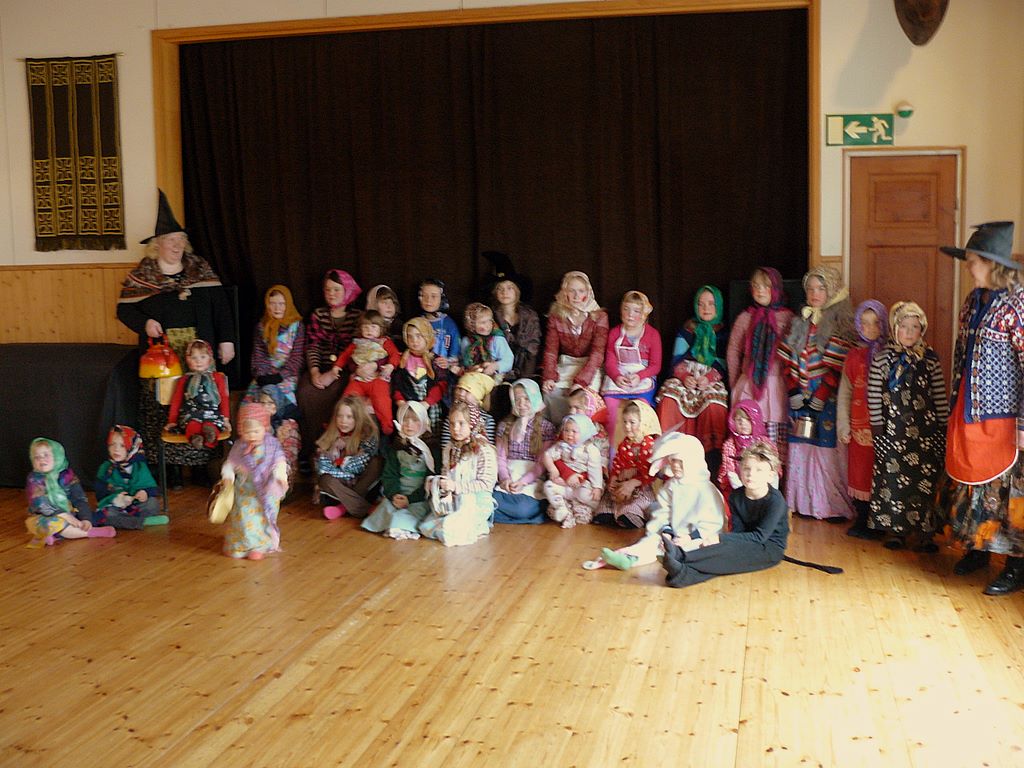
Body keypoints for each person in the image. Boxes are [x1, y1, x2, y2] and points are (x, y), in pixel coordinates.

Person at [116, 190, 235, 487]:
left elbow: (221, 307)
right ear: (157, 244)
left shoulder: (199, 268)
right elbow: (123, 310)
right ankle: (168, 472)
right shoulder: (144, 274)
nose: (177, 245)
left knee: (201, 403)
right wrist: (145, 323)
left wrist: (227, 340)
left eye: (181, 240)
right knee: (164, 408)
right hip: (161, 357)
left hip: (198, 351)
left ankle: (200, 468)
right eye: (171, 240)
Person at [939, 222, 1024, 595]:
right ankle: (977, 547)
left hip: (1005, 417)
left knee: (1009, 492)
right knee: (970, 481)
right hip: (969, 409)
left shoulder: (1018, 304)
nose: (968, 267)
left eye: (973, 261)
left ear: (992, 264)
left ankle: (1016, 566)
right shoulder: (973, 300)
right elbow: (962, 353)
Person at [777, 265, 857, 521]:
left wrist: (821, 394)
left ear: (832, 291)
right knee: (802, 447)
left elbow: (838, 368)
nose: (814, 294)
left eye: (821, 289)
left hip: (827, 398)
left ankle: (831, 506)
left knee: (825, 451)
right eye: (810, 289)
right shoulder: (799, 321)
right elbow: (787, 360)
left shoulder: (841, 324)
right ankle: (804, 504)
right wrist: (793, 390)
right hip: (800, 395)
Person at [866, 301, 948, 551]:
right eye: (904, 326)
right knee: (893, 479)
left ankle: (926, 532)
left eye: (915, 327)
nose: (910, 332)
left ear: (922, 330)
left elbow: (939, 395)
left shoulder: (930, 359)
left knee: (925, 480)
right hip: (893, 433)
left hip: (925, 433)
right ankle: (895, 530)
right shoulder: (882, 359)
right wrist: (877, 431)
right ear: (894, 328)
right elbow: (873, 396)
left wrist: (943, 428)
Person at [661, 441, 788, 588]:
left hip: (769, 547)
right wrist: (723, 543)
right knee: (725, 552)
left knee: (730, 556)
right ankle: (682, 575)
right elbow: (738, 532)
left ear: (770, 476)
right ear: (740, 470)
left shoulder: (775, 501)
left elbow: (760, 536)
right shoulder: (736, 496)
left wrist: (719, 538)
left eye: (759, 470)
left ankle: (681, 557)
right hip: (746, 539)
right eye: (747, 468)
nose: (751, 474)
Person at [595, 432, 725, 571]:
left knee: (697, 547)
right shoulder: (671, 486)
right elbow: (663, 512)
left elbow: (712, 524)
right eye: (673, 460)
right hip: (673, 534)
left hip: (694, 536)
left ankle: (674, 557)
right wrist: (666, 532)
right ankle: (628, 558)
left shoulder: (706, 490)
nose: (675, 465)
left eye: (680, 461)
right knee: (651, 542)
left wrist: (688, 537)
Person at [655, 285, 729, 473]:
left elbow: (724, 362)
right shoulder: (687, 329)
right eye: (701, 304)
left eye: (711, 304)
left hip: (711, 377)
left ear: (718, 306)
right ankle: (669, 459)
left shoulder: (723, 332)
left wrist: (709, 378)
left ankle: (711, 461)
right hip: (685, 374)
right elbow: (676, 359)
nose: (706, 308)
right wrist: (684, 376)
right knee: (669, 397)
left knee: (714, 403)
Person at [726, 267, 795, 465]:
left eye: (766, 286)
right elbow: (733, 350)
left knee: (775, 438)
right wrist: (735, 382)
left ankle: (774, 477)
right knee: (746, 434)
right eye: (756, 286)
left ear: (776, 289)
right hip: (749, 385)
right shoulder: (745, 318)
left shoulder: (788, 318)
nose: (760, 290)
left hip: (778, 386)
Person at [297, 268, 362, 463]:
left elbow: (357, 348)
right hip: (321, 366)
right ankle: (310, 449)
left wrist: (336, 372)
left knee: (337, 394)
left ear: (347, 291)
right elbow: (313, 345)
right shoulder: (318, 315)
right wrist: (315, 372)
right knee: (306, 392)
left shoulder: (357, 316)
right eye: (328, 290)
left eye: (336, 290)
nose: (331, 294)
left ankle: (334, 450)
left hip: (345, 369)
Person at [837, 300, 887, 538]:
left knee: (880, 472)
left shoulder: (889, 355)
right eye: (864, 323)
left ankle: (878, 522)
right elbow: (845, 393)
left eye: (875, 323)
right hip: (857, 428)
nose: (870, 328)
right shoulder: (854, 356)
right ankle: (862, 517)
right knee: (859, 472)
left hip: (882, 429)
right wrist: (843, 425)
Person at [419, 401, 497, 546]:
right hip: (454, 499)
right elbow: (446, 472)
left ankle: (476, 525)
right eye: (452, 423)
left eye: (461, 423)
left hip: (477, 500)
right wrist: (440, 484)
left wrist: (456, 486)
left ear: (472, 424)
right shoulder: (450, 448)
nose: (455, 429)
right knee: (428, 526)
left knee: (451, 528)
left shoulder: (483, 450)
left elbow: (486, 483)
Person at [219, 403, 288, 560]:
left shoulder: (272, 445)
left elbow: (279, 462)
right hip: (245, 489)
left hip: (266, 489)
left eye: (256, 431)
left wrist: (280, 477)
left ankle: (259, 546)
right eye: (247, 432)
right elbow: (230, 464)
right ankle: (238, 546)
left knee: (260, 518)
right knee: (242, 516)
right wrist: (227, 477)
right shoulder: (239, 447)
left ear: (265, 428)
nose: (252, 436)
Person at [362, 401, 438, 540]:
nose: (409, 424)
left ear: (423, 422)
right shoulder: (397, 447)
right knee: (386, 508)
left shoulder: (431, 449)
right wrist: (394, 494)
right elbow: (390, 474)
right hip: (399, 494)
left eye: (414, 420)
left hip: (419, 497)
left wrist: (410, 499)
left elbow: (432, 478)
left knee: (405, 516)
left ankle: (403, 525)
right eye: (405, 420)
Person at [541, 271, 609, 425]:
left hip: (590, 365)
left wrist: (581, 381)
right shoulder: (556, 316)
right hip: (567, 362)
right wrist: (549, 376)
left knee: (584, 396)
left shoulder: (599, 316)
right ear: (565, 292)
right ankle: (561, 431)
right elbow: (551, 350)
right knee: (551, 393)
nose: (577, 296)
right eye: (572, 291)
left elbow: (597, 353)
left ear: (588, 292)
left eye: (581, 291)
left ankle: (583, 430)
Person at [242, 285, 305, 445]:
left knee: (280, 404)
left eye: (282, 304)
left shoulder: (296, 326)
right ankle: (256, 442)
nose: (277, 308)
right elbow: (258, 356)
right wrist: (263, 376)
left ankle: (282, 442)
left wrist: (279, 376)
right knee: (252, 403)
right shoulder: (261, 327)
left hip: (286, 376)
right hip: (265, 375)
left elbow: (296, 358)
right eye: (273, 303)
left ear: (288, 305)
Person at [25, 438, 116, 547]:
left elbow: (79, 499)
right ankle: (91, 533)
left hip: (70, 513)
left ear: (57, 456)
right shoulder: (34, 479)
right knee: (54, 523)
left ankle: (54, 535)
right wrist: (65, 516)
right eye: (37, 457)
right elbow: (40, 503)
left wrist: (86, 519)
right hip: (44, 516)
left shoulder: (68, 476)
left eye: (46, 455)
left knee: (88, 517)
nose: (41, 459)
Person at [601, 291, 662, 446]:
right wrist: (616, 376)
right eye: (626, 309)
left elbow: (655, 365)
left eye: (636, 311)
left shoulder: (652, 334)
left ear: (644, 314)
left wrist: (639, 376)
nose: (630, 315)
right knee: (610, 407)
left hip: (642, 376)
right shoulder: (615, 333)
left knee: (640, 408)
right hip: (620, 375)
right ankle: (614, 449)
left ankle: (640, 447)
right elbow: (610, 361)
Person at [493, 378, 556, 525]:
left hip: (531, 479)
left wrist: (523, 482)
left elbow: (541, 464)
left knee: (523, 508)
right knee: (488, 500)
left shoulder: (546, 428)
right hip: (509, 476)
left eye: (526, 399)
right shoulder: (504, 426)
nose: (521, 404)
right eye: (517, 399)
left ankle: (510, 513)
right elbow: (500, 458)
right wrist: (505, 479)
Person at [593, 399, 661, 528]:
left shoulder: (648, 444)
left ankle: (631, 516)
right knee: (606, 506)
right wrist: (614, 478)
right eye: (625, 422)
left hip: (640, 487)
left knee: (632, 506)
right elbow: (617, 463)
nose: (627, 426)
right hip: (622, 482)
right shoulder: (625, 443)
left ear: (643, 423)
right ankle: (611, 514)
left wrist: (632, 483)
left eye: (632, 422)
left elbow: (650, 471)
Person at [332, 310, 400, 435]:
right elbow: (345, 355)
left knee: (382, 401)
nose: (369, 330)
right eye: (366, 327)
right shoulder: (356, 343)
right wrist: (337, 366)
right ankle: (337, 427)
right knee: (347, 400)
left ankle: (387, 425)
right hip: (359, 380)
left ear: (381, 329)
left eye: (374, 327)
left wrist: (390, 366)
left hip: (378, 379)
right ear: (360, 328)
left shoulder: (385, 342)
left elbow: (395, 355)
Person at [313, 395, 381, 520]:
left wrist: (339, 463)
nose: (343, 421)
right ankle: (365, 508)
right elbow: (323, 469)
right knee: (325, 479)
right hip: (339, 487)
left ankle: (342, 508)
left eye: (349, 417)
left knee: (377, 463)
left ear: (358, 418)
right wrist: (334, 451)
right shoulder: (330, 434)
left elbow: (359, 466)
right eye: (340, 416)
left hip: (361, 484)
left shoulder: (368, 434)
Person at [94, 426, 168, 530]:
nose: (116, 449)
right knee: (107, 514)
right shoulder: (105, 468)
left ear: (132, 448)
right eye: (112, 444)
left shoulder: (139, 467)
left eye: (122, 445)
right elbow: (100, 495)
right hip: (117, 507)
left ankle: (129, 522)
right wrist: (115, 499)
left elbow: (152, 488)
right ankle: (142, 522)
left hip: (137, 505)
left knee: (152, 504)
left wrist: (145, 493)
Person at [717, 400, 779, 524]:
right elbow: (730, 472)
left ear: (756, 421)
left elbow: (774, 471)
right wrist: (743, 490)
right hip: (737, 487)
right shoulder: (730, 444)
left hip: (763, 488)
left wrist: (770, 491)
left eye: (748, 420)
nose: (742, 424)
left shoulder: (766, 443)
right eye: (738, 420)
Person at [486, 252, 541, 381]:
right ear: (495, 293)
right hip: (496, 371)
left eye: (510, 288)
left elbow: (532, 350)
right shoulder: (490, 316)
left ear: (517, 291)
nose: (505, 292)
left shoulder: (529, 317)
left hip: (525, 371)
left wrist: (524, 378)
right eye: (500, 288)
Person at [165, 339, 231, 449]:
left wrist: (226, 419)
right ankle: (195, 438)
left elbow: (224, 398)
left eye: (203, 357)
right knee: (191, 425)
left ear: (210, 359)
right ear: (188, 359)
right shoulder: (184, 379)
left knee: (212, 425)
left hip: (212, 413)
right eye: (194, 358)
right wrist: (172, 420)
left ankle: (210, 435)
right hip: (191, 413)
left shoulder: (217, 378)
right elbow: (177, 400)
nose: (198, 361)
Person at [542, 413, 604, 529]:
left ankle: (578, 505)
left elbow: (595, 469)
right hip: (563, 483)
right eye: (566, 430)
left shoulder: (590, 449)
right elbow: (547, 455)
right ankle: (562, 508)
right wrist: (553, 469)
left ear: (584, 433)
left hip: (581, 484)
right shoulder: (560, 446)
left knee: (586, 495)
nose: (569, 434)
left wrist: (597, 487)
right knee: (548, 486)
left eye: (574, 431)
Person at [391, 318, 446, 436]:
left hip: (429, 406)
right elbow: (396, 384)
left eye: (418, 336)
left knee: (430, 437)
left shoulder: (435, 361)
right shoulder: (402, 360)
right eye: (410, 337)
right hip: (407, 408)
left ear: (427, 336)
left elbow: (441, 384)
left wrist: (427, 403)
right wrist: (401, 402)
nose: (414, 341)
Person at [418, 278, 461, 403]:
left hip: (444, 371)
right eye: (424, 296)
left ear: (442, 299)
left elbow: (456, 351)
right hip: (422, 369)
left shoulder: (449, 324)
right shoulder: (417, 322)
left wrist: (448, 362)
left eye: (433, 296)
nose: (428, 300)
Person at [456, 302, 514, 381]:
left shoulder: (497, 339)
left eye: (490, 321)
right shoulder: (466, 341)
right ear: (471, 325)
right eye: (483, 322)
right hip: (473, 377)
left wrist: (495, 366)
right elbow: (462, 361)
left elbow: (508, 359)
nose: (488, 325)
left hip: (496, 377)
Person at [441, 372, 497, 446]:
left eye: (467, 391)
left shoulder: (487, 420)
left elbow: (488, 446)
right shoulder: (452, 417)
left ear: (477, 397)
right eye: (459, 389)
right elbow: (445, 445)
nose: (461, 394)